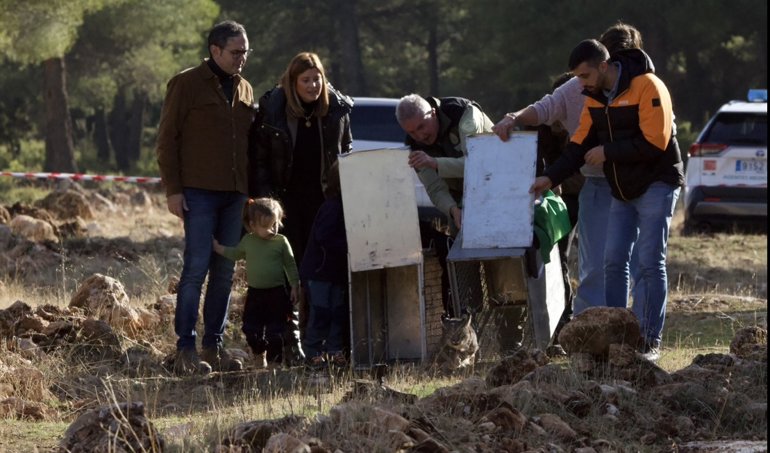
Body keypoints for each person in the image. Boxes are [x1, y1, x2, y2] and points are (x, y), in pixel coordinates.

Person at [530, 39, 684, 361]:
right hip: (623, 189)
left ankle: (649, 340)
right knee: (613, 261)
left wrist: (606, 151)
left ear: (603, 66)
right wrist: (550, 178)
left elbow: (656, 141)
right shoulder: (595, 98)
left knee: (649, 261)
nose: (580, 84)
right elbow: (577, 145)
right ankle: (618, 336)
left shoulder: (648, 86)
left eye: (584, 76)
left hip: (658, 183)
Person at [492, 22, 646, 319]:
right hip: (596, 183)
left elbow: (657, 138)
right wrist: (513, 118)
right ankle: (591, 327)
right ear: (602, 60)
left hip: (639, 182)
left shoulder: (645, 86)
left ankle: (641, 328)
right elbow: (547, 108)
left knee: (641, 261)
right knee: (595, 265)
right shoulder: (578, 88)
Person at [156, 20, 255, 375]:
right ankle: (185, 349)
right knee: (196, 268)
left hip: (235, 195)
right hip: (198, 193)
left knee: (225, 272)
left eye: (246, 52)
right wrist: (174, 190)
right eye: (236, 52)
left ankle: (214, 346)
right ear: (215, 50)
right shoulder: (186, 84)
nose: (242, 58)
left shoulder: (245, 88)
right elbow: (167, 140)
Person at [251, 52, 353, 365]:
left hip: (326, 205)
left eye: (316, 79)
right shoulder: (274, 109)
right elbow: (259, 160)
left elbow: (346, 150)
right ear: (292, 83)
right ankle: (286, 344)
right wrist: (266, 203)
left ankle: (322, 345)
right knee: (288, 275)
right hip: (286, 206)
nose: (312, 86)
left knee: (324, 275)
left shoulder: (336, 109)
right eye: (305, 80)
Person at [395, 94, 494, 319]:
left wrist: (434, 162)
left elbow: (478, 164)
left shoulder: (465, 117)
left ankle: (513, 331)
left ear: (432, 112)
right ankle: (468, 326)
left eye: (422, 126)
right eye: (412, 132)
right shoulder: (415, 147)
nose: (420, 135)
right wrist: (452, 210)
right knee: (463, 271)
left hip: (496, 192)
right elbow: (435, 189)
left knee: (505, 270)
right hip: (461, 205)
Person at [213, 197, 299, 368]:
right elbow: (236, 254)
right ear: (252, 225)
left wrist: (295, 285)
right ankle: (259, 352)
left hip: (277, 294)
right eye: (267, 226)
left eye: (275, 224)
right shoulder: (248, 241)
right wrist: (218, 248)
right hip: (255, 294)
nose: (273, 230)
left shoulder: (281, 242)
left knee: (276, 331)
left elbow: (290, 264)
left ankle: (275, 363)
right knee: (250, 328)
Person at [299, 162, 349, 369]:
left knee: (337, 311)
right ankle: (313, 352)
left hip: (335, 272)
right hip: (319, 271)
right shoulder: (332, 207)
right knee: (320, 312)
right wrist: (348, 245)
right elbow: (323, 237)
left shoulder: (344, 206)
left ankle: (334, 350)